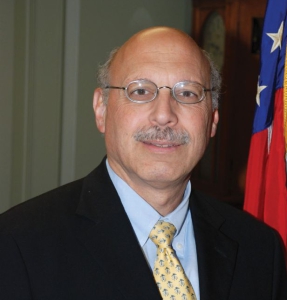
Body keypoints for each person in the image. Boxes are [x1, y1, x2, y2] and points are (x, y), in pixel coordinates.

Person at [0, 27, 286, 300]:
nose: (164, 115)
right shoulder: (19, 245)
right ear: (101, 110)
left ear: (212, 120)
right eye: (140, 91)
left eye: (187, 93)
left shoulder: (260, 249)